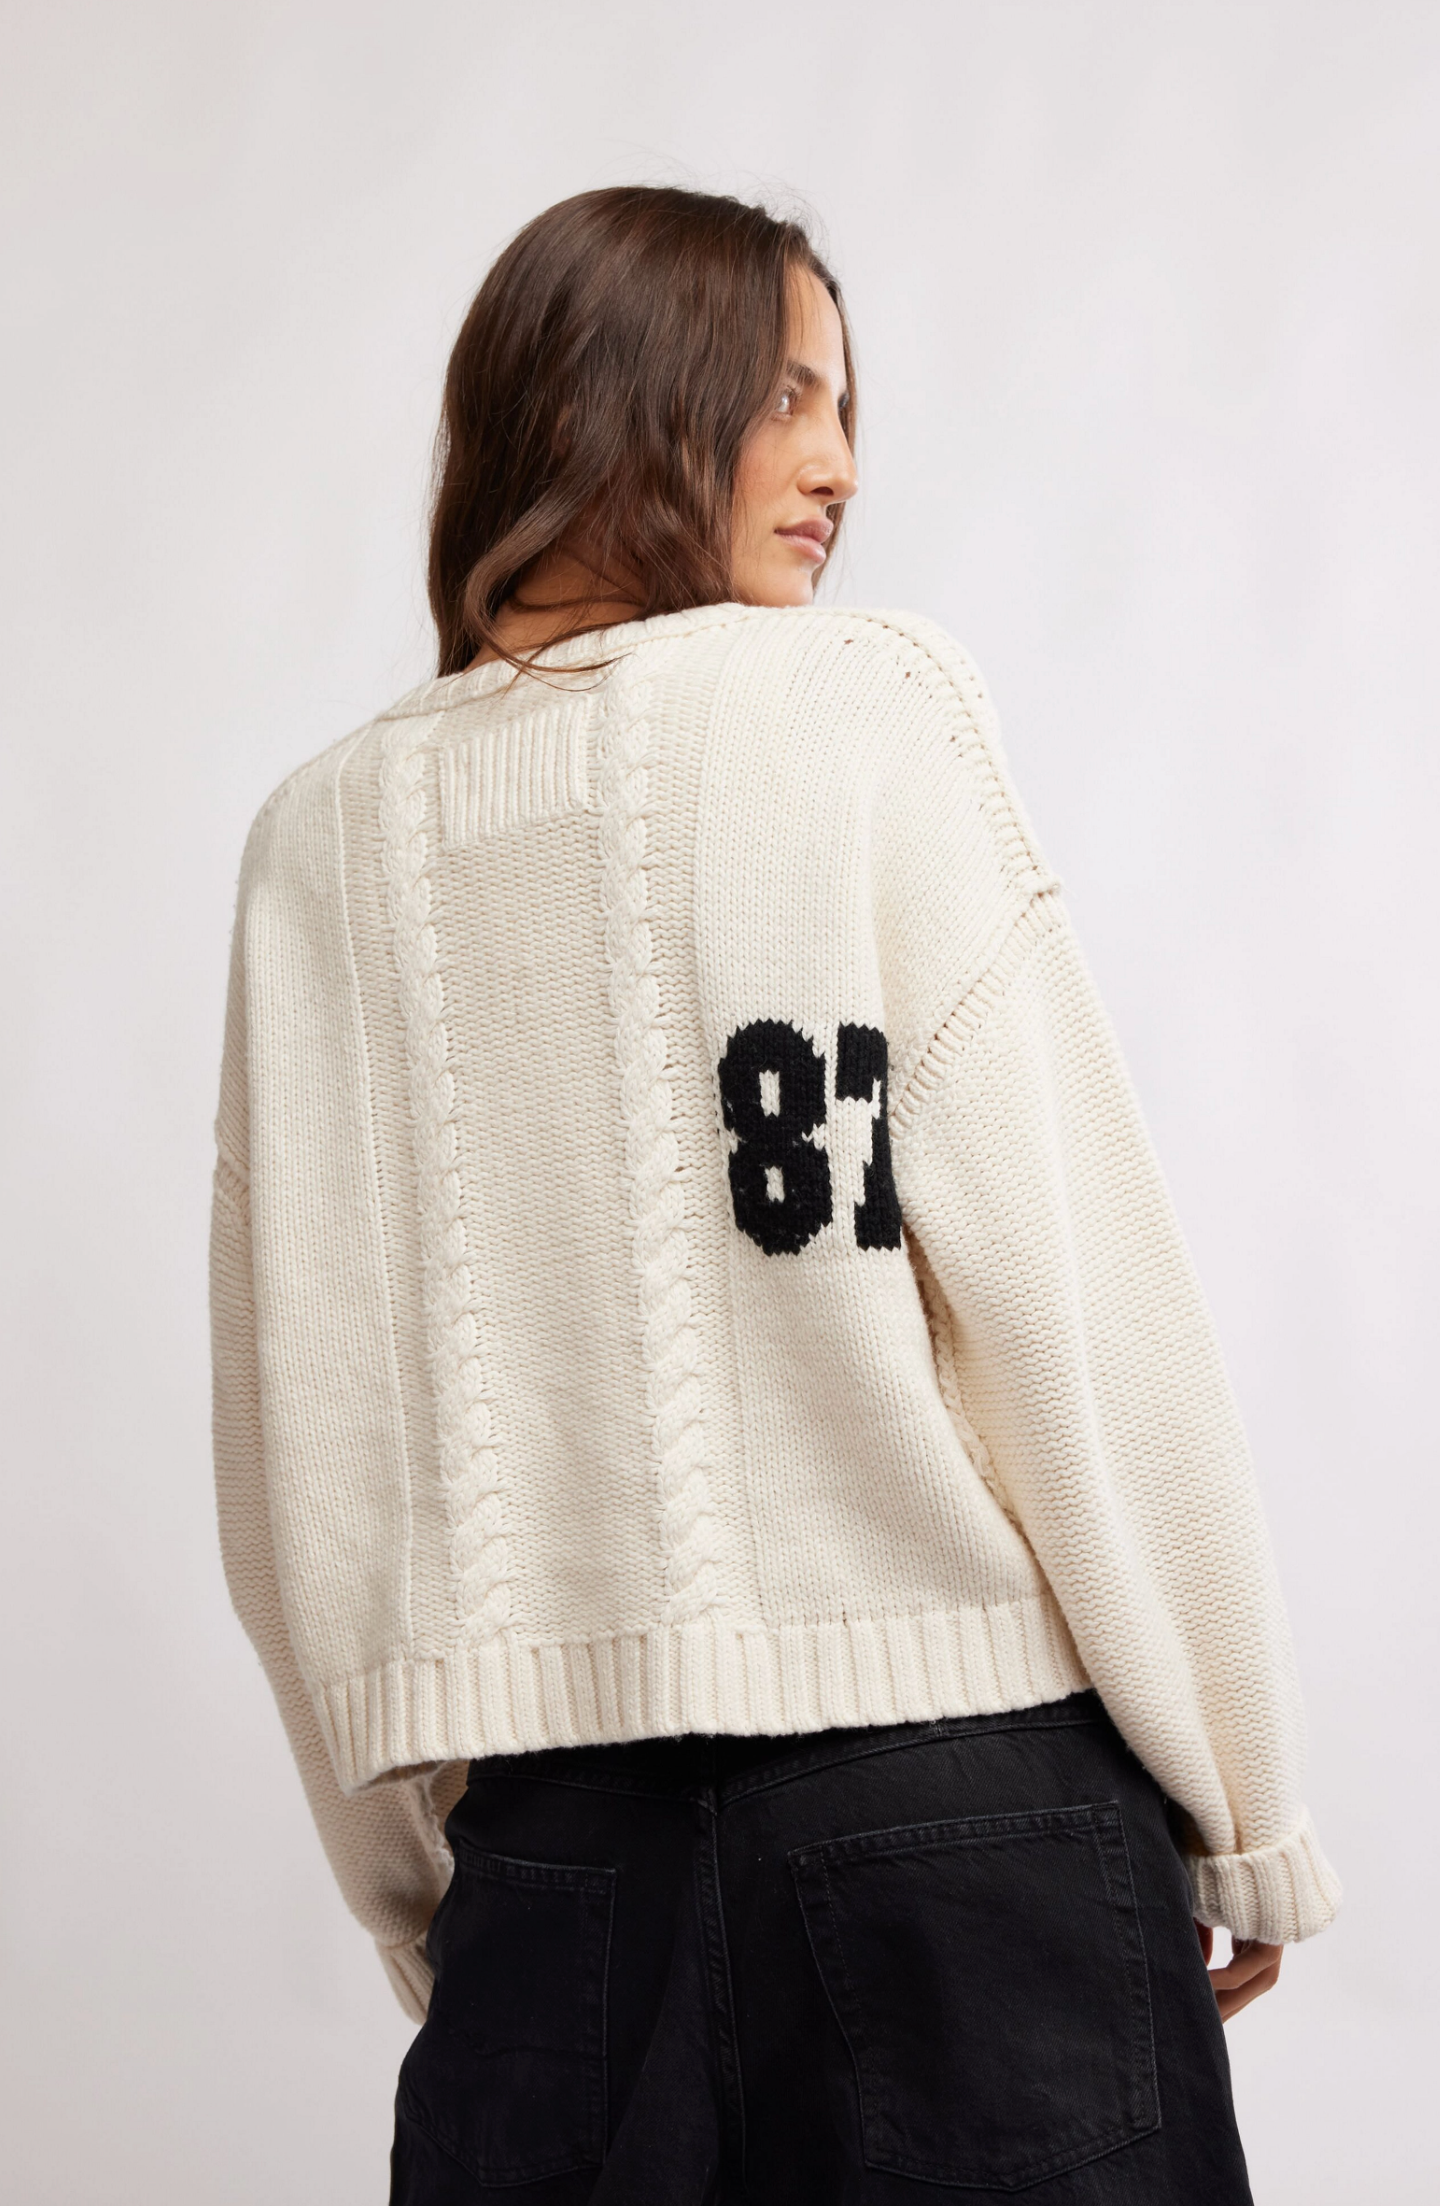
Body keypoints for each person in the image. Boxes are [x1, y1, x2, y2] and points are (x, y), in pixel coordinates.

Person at [209, 186, 1340, 2205]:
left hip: (557, 1884)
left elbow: (300, 1449)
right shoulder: (861, 708)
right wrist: (1241, 1796)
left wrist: (445, 1903)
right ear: (627, 392)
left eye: (847, 407)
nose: (839, 465)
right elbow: (1076, 1301)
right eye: (790, 392)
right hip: (973, 1835)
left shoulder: (318, 846)